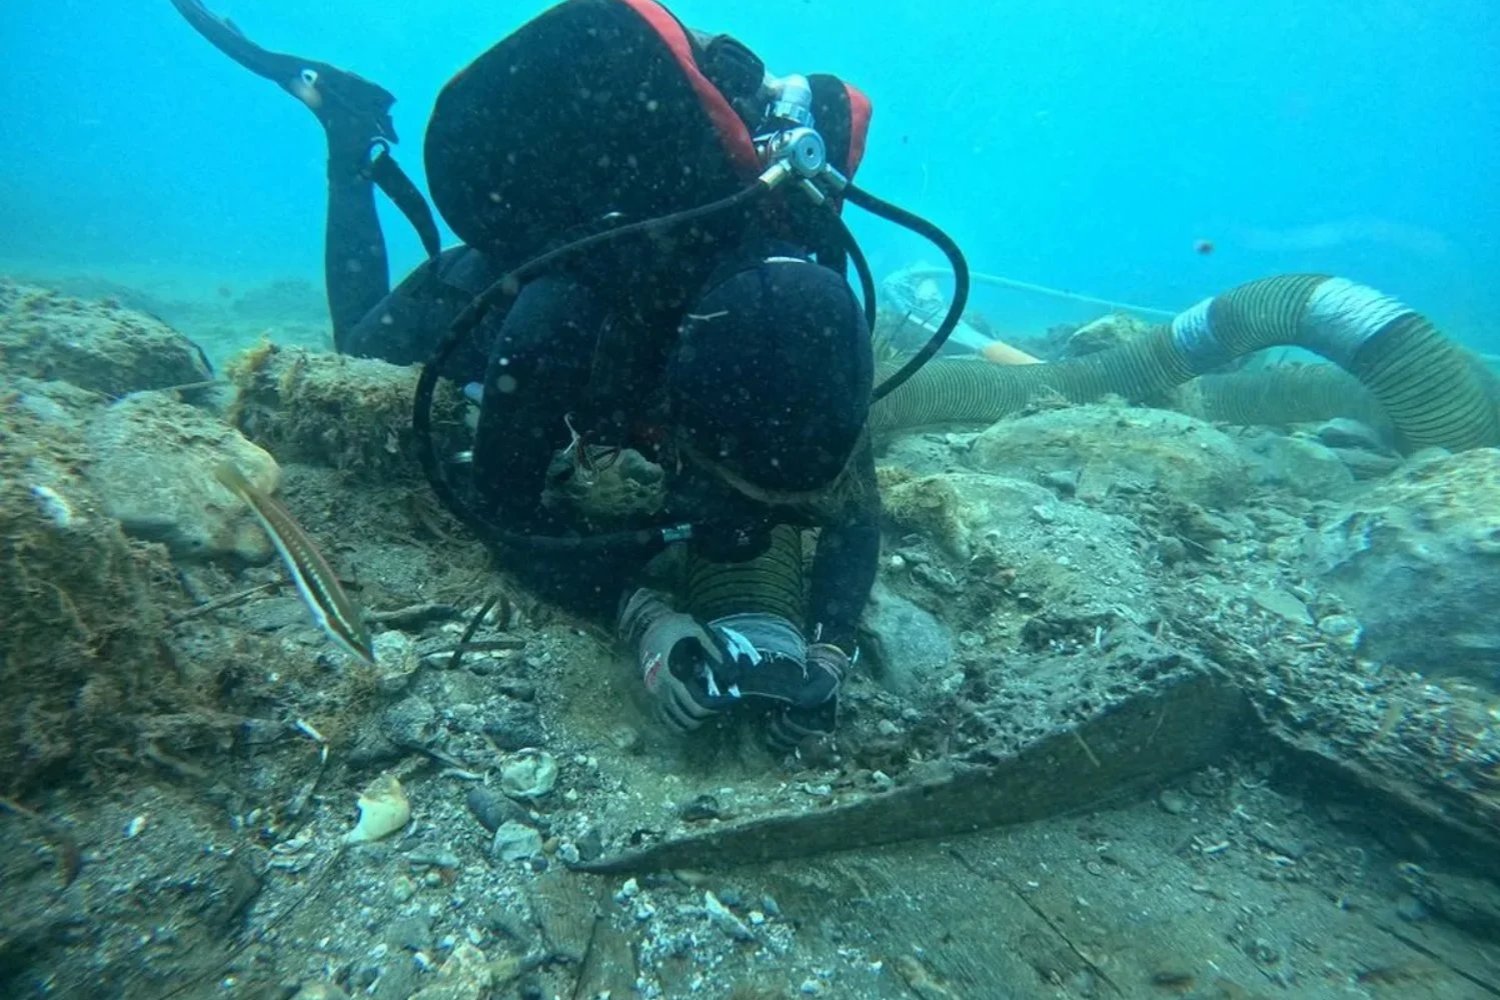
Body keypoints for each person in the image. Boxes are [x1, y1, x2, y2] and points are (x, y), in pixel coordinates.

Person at [172, 0, 882, 752]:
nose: (744, 524)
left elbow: (854, 505)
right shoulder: (561, 326)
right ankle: (352, 144)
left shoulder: (805, 327)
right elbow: (503, 510)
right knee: (355, 350)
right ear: (673, 403)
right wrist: (637, 614)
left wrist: (832, 647)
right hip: (502, 293)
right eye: (719, 486)